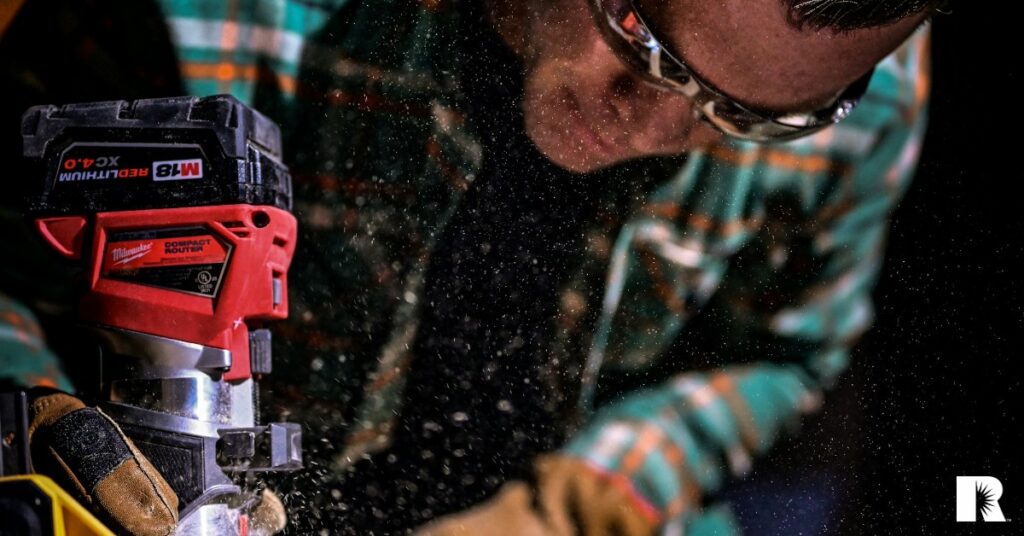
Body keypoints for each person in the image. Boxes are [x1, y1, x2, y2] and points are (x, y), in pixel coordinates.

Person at [0, 0, 939, 534]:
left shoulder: (862, 102)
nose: (645, 129)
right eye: (635, 30)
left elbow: (786, 355)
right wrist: (25, 404)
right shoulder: (201, 12)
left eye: (744, 116)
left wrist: (576, 505)